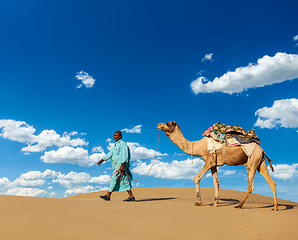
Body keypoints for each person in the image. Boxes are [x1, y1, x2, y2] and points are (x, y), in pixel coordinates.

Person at [97, 130, 135, 201]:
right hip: (117, 165)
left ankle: (108, 195)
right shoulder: (115, 145)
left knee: (114, 178)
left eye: (116, 135)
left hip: (121, 165)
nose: (115, 137)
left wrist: (122, 164)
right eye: (114, 135)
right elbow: (110, 154)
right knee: (124, 179)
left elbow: (125, 154)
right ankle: (131, 196)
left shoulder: (123, 144)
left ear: (120, 136)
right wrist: (102, 160)